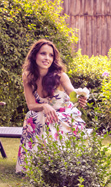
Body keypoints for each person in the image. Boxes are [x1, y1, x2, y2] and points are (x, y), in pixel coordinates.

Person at [16, 39, 87, 173]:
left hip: (67, 118)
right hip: (47, 116)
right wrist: (44, 106)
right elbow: (31, 105)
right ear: (35, 55)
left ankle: (55, 166)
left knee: (48, 117)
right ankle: (32, 166)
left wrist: (80, 98)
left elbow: (72, 94)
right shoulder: (28, 76)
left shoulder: (60, 76)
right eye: (43, 54)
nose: (47, 58)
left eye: (51, 55)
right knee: (32, 115)